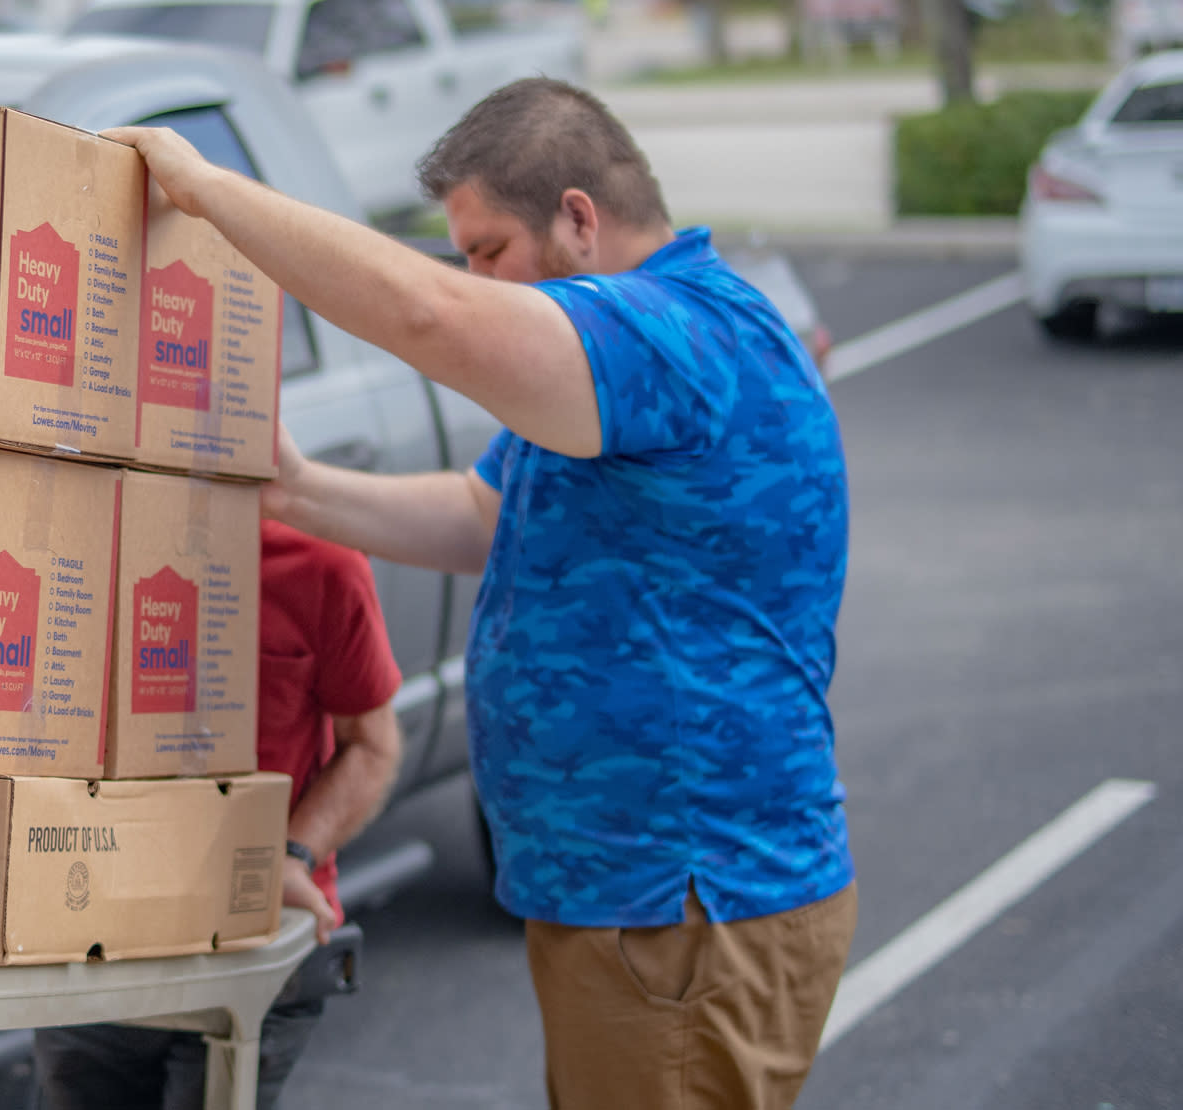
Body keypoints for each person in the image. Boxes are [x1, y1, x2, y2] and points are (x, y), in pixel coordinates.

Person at [103, 77, 855, 1110]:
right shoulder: (641, 363)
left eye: (489, 250)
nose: (478, 279)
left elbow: (428, 317)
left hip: (684, 895)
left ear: (580, 219)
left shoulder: (669, 332)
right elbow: (485, 517)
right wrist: (299, 489)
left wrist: (204, 188)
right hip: (637, 897)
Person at [34, 519, 403, 1110]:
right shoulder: (87, 536)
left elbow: (373, 742)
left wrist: (292, 855)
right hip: (96, 934)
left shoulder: (323, 565)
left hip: (255, 937)